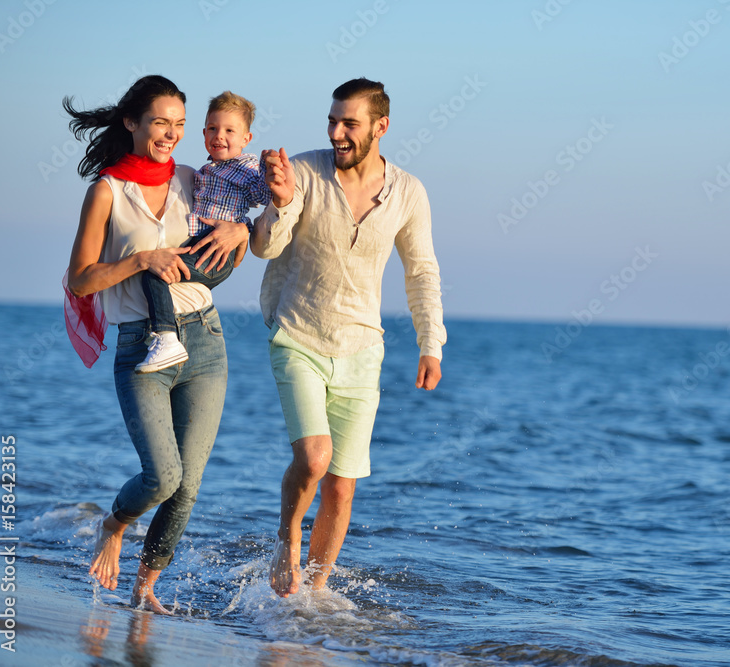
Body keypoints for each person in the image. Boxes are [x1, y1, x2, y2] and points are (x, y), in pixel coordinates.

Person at [251, 78, 446, 597]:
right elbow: (266, 249)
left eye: (350, 124)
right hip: (298, 334)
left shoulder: (408, 192)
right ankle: (288, 533)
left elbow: (421, 271)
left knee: (341, 483)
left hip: (363, 348)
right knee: (314, 458)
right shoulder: (306, 172)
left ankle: (313, 597)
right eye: (333, 121)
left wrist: (432, 343)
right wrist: (280, 202)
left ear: (381, 127)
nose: (337, 132)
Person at [64, 75, 250, 613]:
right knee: (162, 476)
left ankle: (146, 589)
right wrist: (142, 259)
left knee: (187, 485)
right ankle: (114, 522)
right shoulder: (107, 191)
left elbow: (242, 231)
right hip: (141, 347)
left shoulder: (196, 179)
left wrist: (241, 231)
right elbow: (80, 279)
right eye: (160, 123)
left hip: (206, 343)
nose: (171, 134)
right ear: (132, 122)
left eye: (180, 125)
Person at [136, 90, 270, 374]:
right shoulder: (206, 169)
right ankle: (167, 329)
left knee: (155, 270)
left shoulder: (246, 168)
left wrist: (270, 172)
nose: (219, 135)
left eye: (229, 130)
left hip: (217, 252)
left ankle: (166, 337)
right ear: (204, 132)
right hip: (199, 246)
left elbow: (264, 195)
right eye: (213, 128)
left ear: (246, 139)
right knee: (165, 274)